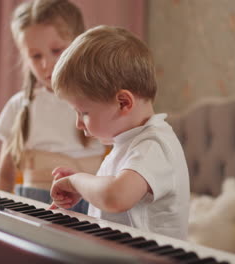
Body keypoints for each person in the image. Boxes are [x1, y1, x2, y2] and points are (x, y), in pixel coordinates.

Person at [48, 25, 190, 240]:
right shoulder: (128, 144)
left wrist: (77, 181)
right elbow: (114, 205)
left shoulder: (154, 144)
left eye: (83, 112)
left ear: (123, 102)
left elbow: (115, 197)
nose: (78, 123)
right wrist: (85, 189)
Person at [0, 0, 105, 214]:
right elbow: (4, 177)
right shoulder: (20, 106)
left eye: (56, 50)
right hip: (36, 212)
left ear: (79, 44)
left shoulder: (101, 102)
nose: (46, 64)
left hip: (92, 213)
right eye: (36, 56)